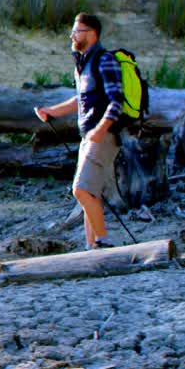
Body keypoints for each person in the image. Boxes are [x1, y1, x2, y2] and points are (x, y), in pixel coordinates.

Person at [34, 13, 126, 250]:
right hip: (89, 135)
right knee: (91, 193)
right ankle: (92, 247)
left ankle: (103, 242)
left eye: (77, 31)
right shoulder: (83, 63)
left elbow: (117, 101)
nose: (72, 35)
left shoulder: (104, 60)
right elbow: (80, 99)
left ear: (91, 33)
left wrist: (100, 129)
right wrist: (50, 111)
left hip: (103, 136)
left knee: (81, 189)